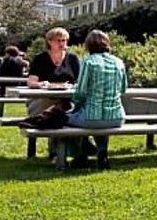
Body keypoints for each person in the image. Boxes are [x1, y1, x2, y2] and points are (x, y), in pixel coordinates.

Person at [65, 30, 127, 170]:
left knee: (64, 118)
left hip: (92, 117)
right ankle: (101, 152)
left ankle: (79, 156)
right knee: (101, 119)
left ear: (88, 45)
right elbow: (123, 89)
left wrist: (75, 106)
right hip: (117, 118)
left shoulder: (89, 62)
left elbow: (80, 92)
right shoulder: (119, 63)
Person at [26, 27, 81, 116]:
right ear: (49, 42)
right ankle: (36, 123)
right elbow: (31, 82)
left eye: (64, 40)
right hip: (44, 97)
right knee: (42, 104)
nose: (62, 43)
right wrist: (41, 84)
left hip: (67, 98)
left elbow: (79, 81)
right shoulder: (40, 58)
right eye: (58, 41)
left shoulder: (73, 59)